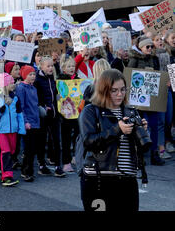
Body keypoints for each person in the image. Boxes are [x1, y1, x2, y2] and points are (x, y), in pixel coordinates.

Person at [79, 69, 148, 211]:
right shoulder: (91, 111)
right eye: (114, 90)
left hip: (128, 179)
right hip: (99, 178)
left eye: (123, 89)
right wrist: (117, 129)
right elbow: (88, 141)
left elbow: (138, 149)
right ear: (104, 90)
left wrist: (141, 133)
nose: (120, 94)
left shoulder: (130, 111)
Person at [128, 38, 165, 166]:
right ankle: (138, 155)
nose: (150, 49)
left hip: (151, 97)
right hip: (138, 98)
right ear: (141, 47)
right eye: (147, 47)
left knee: (154, 125)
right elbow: (129, 75)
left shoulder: (154, 59)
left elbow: (158, 74)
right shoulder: (134, 59)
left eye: (151, 46)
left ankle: (154, 153)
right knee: (139, 126)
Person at [0, 73, 25, 187]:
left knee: (13, 151)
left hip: (13, 130)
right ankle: (6, 176)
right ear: (4, 85)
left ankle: (7, 172)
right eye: (11, 83)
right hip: (2, 130)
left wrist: (21, 128)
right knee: (6, 152)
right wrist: (1, 110)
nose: (13, 84)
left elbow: (19, 114)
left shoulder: (15, 98)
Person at [34, 56, 66, 177]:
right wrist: (42, 106)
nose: (51, 68)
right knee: (42, 140)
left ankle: (58, 166)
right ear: (41, 66)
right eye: (48, 66)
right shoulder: (37, 79)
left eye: (52, 65)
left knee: (57, 140)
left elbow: (55, 91)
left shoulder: (53, 78)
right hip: (43, 115)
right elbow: (35, 96)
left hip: (54, 114)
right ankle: (42, 165)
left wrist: (58, 98)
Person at [16, 65, 40, 182]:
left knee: (33, 148)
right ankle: (26, 171)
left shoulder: (33, 88)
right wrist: (25, 121)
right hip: (28, 122)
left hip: (36, 121)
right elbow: (21, 106)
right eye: (30, 74)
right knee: (28, 149)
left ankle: (29, 170)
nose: (33, 76)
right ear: (25, 75)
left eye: (34, 74)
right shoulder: (21, 88)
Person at [57, 55, 79, 173]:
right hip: (65, 114)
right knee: (65, 138)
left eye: (73, 66)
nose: (71, 68)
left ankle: (76, 156)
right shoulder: (60, 79)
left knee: (77, 136)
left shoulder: (78, 78)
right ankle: (66, 162)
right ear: (64, 68)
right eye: (69, 66)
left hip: (77, 113)